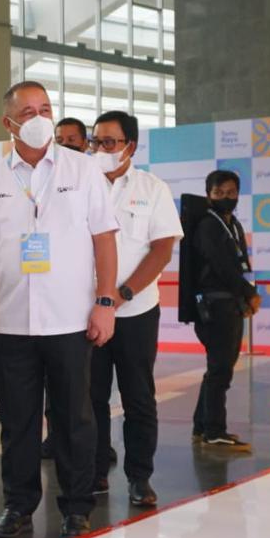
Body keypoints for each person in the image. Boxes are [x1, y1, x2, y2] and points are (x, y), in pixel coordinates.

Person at [0, 80, 119, 538]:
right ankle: (18, 505)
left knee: (75, 418)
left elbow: (104, 238)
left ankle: (77, 505)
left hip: (70, 320)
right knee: (18, 422)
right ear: (9, 123)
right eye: (28, 111)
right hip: (10, 323)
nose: (39, 118)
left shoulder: (82, 169)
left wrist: (105, 302)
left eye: (46, 108)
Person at [88, 111, 183, 507]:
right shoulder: (79, 186)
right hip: (86, 312)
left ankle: (139, 477)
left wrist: (120, 294)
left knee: (138, 398)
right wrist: (100, 301)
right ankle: (93, 473)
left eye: (110, 142)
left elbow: (162, 249)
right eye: (96, 142)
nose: (101, 150)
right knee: (87, 399)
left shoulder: (151, 187)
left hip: (136, 311)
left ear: (131, 146)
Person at [189, 170, 259, 449]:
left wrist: (242, 298)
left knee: (218, 368)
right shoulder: (209, 225)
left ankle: (202, 425)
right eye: (219, 193)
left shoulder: (233, 224)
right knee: (220, 370)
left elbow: (238, 265)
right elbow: (223, 267)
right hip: (214, 306)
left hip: (229, 304)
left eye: (231, 193)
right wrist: (249, 293)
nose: (226, 198)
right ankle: (215, 431)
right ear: (209, 195)